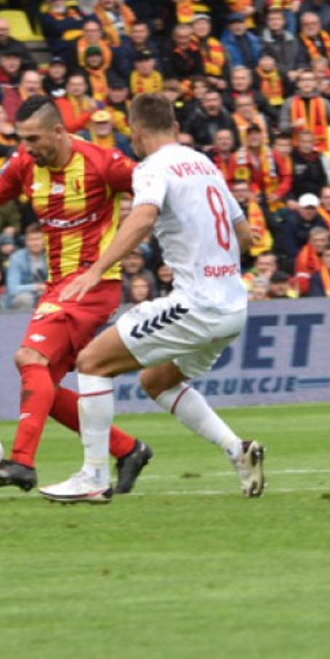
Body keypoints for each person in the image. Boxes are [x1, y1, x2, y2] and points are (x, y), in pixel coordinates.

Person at [0, 95, 152, 495]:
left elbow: (158, 191)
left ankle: (22, 462)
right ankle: (127, 449)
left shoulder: (102, 162)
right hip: (59, 287)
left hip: (92, 284)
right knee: (42, 388)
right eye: (22, 138)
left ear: (58, 131)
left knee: (28, 357)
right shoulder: (23, 163)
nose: (27, 147)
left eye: (33, 138)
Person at [52, 93, 266, 504]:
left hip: (197, 306)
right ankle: (238, 451)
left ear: (135, 130)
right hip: (233, 307)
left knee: (92, 362)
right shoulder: (205, 163)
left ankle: (93, 476)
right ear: (175, 127)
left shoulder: (151, 168)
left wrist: (96, 270)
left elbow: (143, 217)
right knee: (156, 381)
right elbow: (242, 236)